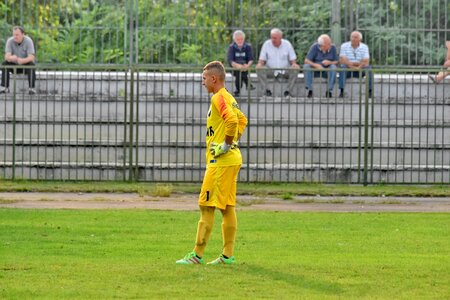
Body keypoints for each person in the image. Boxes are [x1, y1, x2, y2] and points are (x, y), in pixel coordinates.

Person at [176, 61, 248, 265]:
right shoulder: (228, 97)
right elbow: (242, 120)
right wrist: (232, 142)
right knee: (227, 207)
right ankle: (227, 256)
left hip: (222, 162)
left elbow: (234, 122)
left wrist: (226, 145)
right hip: (231, 160)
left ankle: (197, 255)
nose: (203, 82)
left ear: (214, 79)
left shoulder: (219, 97)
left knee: (206, 205)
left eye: (204, 78)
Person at [256, 28, 300, 97]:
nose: (273, 40)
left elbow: (293, 60)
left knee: (295, 69)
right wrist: (259, 64)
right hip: (271, 70)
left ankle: (288, 91)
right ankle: (266, 91)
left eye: (275, 38)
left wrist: (294, 64)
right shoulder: (266, 44)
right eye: (272, 38)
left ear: (280, 38)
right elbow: (262, 60)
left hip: (285, 71)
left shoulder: (287, 44)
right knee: (260, 69)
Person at [0, 26, 36, 95]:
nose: (15, 37)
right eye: (14, 35)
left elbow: (31, 57)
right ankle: (4, 87)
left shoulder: (28, 41)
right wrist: (11, 58)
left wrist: (22, 60)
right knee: (4, 64)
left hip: (24, 64)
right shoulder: (10, 41)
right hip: (13, 65)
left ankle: (32, 88)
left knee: (31, 65)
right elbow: (6, 56)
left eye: (17, 35)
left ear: (23, 34)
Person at [338, 31, 373, 98]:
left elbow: (366, 61)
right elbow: (342, 60)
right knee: (343, 67)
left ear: (360, 39)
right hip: (348, 69)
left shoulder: (364, 47)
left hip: (360, 69)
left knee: (369, 69)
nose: (353, 39)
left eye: (355, 37)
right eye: (352, 37)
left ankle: (370, 91)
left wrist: (356, 65)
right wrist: (356, 64)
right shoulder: (344, 46)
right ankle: (342, 91)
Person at [227, 30, 254, 97]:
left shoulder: (248, 47)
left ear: (244, 39)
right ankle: (248, 84)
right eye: (238, 39)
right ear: (234, 39)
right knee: (239, 72)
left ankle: (237, 91)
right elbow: (230, 60)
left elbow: (251, 59)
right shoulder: (232, 47)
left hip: (246, 67)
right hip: (235, 68)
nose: (240, 41)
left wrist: (247, 66)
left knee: (241, 72)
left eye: (241, 39)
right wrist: (238, 66)